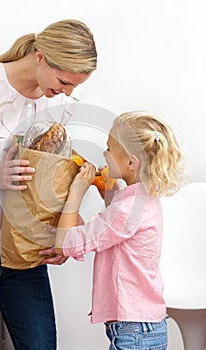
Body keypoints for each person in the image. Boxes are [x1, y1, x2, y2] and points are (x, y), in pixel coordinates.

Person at [0, 19, 97, 350]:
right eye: (64, 81)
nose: (69, 92)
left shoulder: (60, 100)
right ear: (41, 56)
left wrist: (63, 233)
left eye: (74, 86)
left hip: (23, 254)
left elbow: (48, 175)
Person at [54, 111, 187, 350]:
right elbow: (117, 232)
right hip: (144, 327)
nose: (104, 154)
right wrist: (109, 193)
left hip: (133, 332)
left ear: (130, 163)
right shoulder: (142, 201)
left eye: (109, 148)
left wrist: (76, 192)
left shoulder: (125, 211)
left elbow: (67, 243)